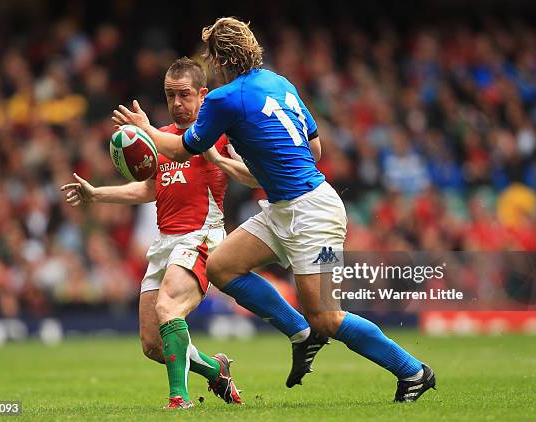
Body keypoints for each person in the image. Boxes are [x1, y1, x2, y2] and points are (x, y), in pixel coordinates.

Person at [112, 18, 436, 402]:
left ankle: (413, 371)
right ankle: (300, 332)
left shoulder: (223, 98)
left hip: (313, 214)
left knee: (327, 317)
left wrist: (146, 129)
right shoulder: (281, 83)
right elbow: (315, 152)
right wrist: (251, 160)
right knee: (220, 266)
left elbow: (181, 149)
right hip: (286, 207)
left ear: (217, 58)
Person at [62, 57, 250, 409]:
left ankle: (179, 399)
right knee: (152, 344)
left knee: (168, 309)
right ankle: (215, 369)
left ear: (202, 95)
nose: (177, 104)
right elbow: (150, 190)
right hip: (164, 242)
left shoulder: (219, 135)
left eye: (184, 95)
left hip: (201, 237)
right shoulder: (160, 139)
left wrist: (222, 161)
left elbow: (251, 172)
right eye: (170, 96)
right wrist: (96, 193)